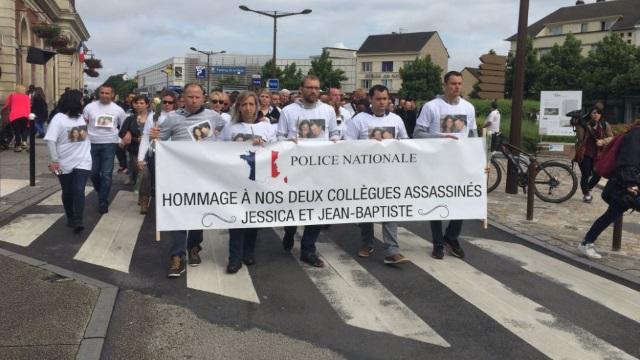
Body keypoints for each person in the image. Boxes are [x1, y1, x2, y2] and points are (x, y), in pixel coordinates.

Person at [149, 83, 226, 277]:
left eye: (197, 96)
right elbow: (159, 145)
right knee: (178, 215)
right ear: (183, 97)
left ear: (203, 98)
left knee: (198, 212)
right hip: (179, 175)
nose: (194, 100)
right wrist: (155, 140)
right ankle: (176, 255)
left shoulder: (214, 117)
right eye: (190, 96)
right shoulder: (172, 118)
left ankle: (194, 247)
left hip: (203, 175)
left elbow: (228, 136)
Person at [277, 75, 340, 267]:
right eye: (309, 87)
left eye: (317, 88)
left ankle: (308, 249)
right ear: (301, 89)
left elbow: (335, 132)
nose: (313, 91)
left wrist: (335, 141)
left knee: (316, 209)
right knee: (294, 206)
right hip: (295, 169)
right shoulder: (288, 111)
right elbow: (279, 136)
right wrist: (288, 142)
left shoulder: (328, 110)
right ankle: (289, 231)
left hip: (320, 169)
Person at [414, 70, 478, 260]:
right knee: (436, 202)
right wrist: (441, 137)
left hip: (460, 163)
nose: (457, 87)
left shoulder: (469, 108)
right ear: (445, 84)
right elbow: (418, 133)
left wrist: (478, 158)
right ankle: (438, 243)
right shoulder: (432, 107)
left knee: (462, 200)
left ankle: (451, 236)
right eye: (453, 83)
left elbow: (472, 135)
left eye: (459, 83)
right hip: (437, 162)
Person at [345, 84, 410, 264]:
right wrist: (368, 144)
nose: (382, 102)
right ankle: (367, 242)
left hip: (390, 173)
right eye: (378, 99)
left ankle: (392, 249)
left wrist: (395, 142)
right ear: (371, 100)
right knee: (367, 210)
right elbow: (348, 143)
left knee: (390, 209)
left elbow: (405, 142)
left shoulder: (397, 119)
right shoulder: (359, 120)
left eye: (385, 99)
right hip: (366, 173)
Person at [221, 91, 275, 273]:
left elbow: (277, 150)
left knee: (253, 219)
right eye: (244, 104)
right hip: (236, 178)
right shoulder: (230, 128)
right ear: (238, 107)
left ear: (257, 107)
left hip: (258, 179)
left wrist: (264, 147)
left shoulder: (267, 127)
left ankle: (249, 252)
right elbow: (218, 150)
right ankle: (234, 258)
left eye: (251, 104)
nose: (248, 108)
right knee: (236, 219)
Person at [579, 120, 640, 259]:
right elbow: (627, 161)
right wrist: (631, 184)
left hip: (626, 183)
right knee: (611, 214)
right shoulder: (636, 134)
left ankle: (587, 242)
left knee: (611, 214)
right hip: (627, 185)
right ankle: (586, 243)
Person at [44, 90, 91, 233]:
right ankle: (70, 217)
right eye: (81, 100)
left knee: (78, 189)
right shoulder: (58, 118)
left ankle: (78, 220)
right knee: (68, 191)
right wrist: (54, 161)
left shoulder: (82, 118)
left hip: (83, 160)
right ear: (75, 101)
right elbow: (50, 140)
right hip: (63, 161)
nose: (83, 102)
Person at [82, 85, 127, 214]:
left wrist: (121, 139)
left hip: (110, 143)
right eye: (102, 92)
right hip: (92, 143)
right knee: (93, 173)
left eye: (107, 93)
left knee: (106, 174)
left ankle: (103, 201)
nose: (104, 95)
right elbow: (83, 124)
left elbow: (124, 125)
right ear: (98, 93)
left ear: (112, 95)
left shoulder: (118, 109)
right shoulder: (89, 107)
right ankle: (100, 190)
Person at [574, 106, 613, 203]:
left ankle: (588, 188)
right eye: (593, 113)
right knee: (586, 174)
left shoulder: (604, 124)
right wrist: (579, 125)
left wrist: (603, 141)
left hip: (598, 154)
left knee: (598, 174)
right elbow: (580, 138)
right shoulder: (584, 124)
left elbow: (611, 137)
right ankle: (586, 194)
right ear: (590, 114)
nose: (596, 115)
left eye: (598, 113)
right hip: (585, 153)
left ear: (601, 115)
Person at [119, 95, 152, 202]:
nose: (139, 105)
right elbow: (122, 133)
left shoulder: (152, 118)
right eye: (137, 103)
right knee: (141, 173)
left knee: (147, 175)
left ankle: (144, 196)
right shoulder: (130, 119)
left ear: (147, 104)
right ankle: (143, 197)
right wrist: (134, 139)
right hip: (135, 150)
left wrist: (148, 137)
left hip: (151, 151)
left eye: (142, 103)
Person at [2, 84, 31, 152]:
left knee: (17, 131)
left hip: (15, 116)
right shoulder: (27, 97)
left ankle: (18, 147)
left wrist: (3, 110)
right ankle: (24, 142)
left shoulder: (12, 96)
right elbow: (28, 107)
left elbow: (6, 105)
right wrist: (29, 117)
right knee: (24, 130)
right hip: (24, 116)